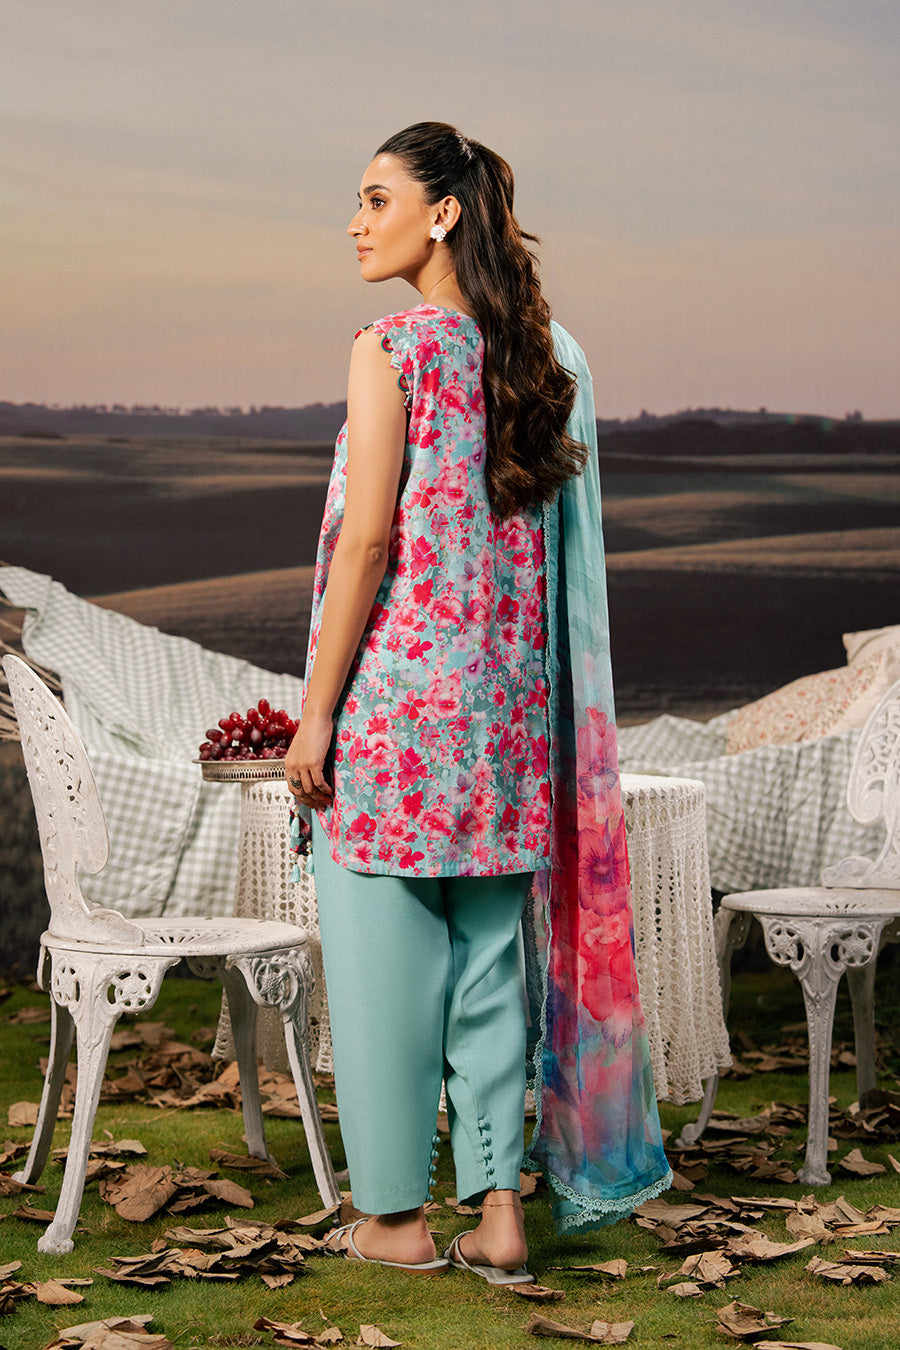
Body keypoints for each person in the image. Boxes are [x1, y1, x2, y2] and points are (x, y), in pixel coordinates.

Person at [285, 122, 671, 1281]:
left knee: (383, 979)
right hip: (509, 724)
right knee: (491, 963)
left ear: (442, 212)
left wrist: (316, 714)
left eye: (376, 198)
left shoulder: (391, 348)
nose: (356, 223)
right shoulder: (542, 362)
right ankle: (501, 1212)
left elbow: (367, 546)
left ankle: (397, 1222)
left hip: (398, 720)